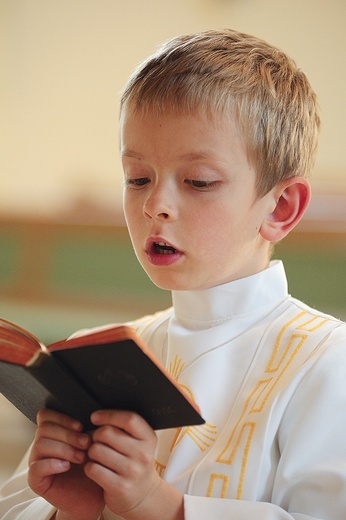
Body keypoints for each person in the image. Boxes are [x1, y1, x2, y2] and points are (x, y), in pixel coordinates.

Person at [1, 28, 346, 520]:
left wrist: (159, 505)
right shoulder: (97, 354)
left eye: (199, 182)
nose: (155, 205)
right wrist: (67, 510)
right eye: (137, 178)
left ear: (280, 207)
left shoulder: (326, 363)